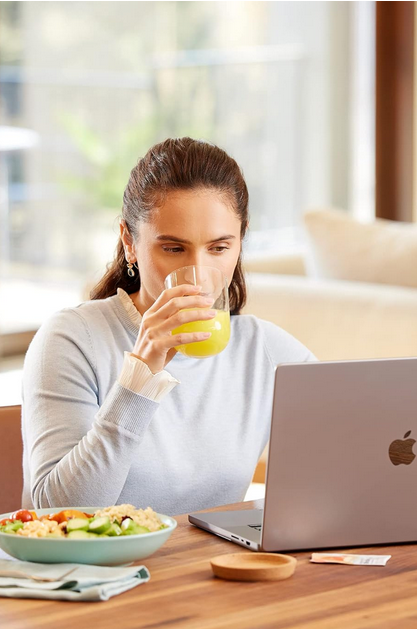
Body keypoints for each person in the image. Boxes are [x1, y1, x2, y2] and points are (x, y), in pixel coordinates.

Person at [21, 137, 316, 515]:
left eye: (219, 248)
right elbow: (58, 513)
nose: (197, 276)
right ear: (130, 241)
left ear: (240, 242)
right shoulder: (72, 340)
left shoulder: (263, 350)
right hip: (99, 571)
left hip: (208, 568)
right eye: (174, 249)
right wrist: (140, 376)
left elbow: (356, 438)